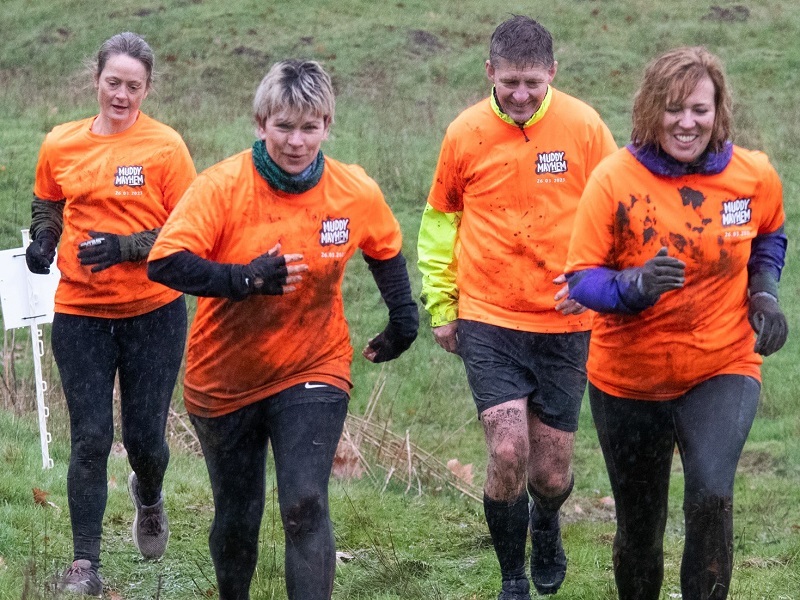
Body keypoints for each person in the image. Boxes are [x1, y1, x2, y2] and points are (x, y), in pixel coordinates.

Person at [147, 58, 418, 600]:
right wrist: (243, 278)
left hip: (313, 363)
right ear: (260, 124)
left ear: (326, 126)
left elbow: (385, 248)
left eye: (309, 127)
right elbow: (165, 263)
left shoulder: (352, 190)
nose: (296, 141)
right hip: (224, 376)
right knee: (239, 516)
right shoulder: (222, 186)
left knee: (303, 504)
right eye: (284, 126)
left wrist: (403, 317)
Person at [564, 46, 788, 600]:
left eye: (700, 109)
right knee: (641, 529)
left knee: (710, 494)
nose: (687, 122)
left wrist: (763, 293)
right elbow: (579, 279)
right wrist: (632, 287)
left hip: (722, 363)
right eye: (673, 109)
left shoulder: (752, 174)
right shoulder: (614, 180)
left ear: (719, 112)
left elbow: (771, 233)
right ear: (649, 111)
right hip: (628, 378)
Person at [417, 15, 617, 599]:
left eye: (532, 81)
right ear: (490, 74)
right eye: (510, 83)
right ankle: (511, 578)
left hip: (566, 320)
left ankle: (547, 521)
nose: (522, 94)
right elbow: (439, 221)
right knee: (507, 450)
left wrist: (601, 284)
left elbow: (616, 209)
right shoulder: (464, 133)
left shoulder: (583, 127)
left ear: (552, 73)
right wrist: (442, 302)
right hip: (489, 316)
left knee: (549, 472)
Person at [24, 32, 197, 596]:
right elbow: (48, 200)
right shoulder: (61, 142)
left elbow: (187, 231)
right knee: (91, 437)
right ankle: (84, 564)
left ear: (147, 88)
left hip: (154, 311)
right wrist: (44, 241)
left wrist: (125, 249)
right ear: (96, 79)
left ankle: (148, 495)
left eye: (134, 86)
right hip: (81, 313)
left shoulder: (166, 147)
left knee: (146, 438)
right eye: (113, 83)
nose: (121, 95)